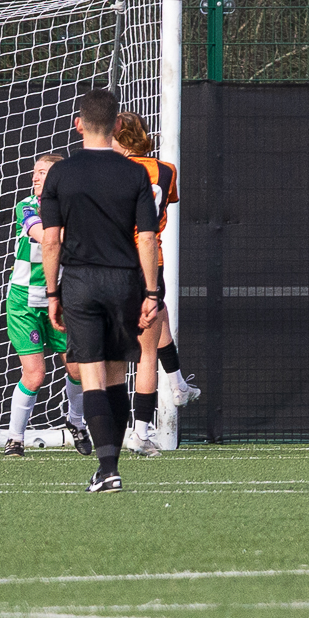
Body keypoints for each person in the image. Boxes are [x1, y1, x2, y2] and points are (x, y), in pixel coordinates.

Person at [39, 89, 162, 493]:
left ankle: (107, 469)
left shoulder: (60, 174)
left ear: (78, 124)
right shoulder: (135, 173)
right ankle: (110, 467)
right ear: (117, 125)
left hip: (79, 282)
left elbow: (51, 241)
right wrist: (151, 293)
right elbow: (147, 239)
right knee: (115, 377)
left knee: (91, 376)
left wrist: (53, 294)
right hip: (123, 281)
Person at [113, 112, 202, 437]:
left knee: (135, 353)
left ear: (121, 137)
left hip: (116, 260)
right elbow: (167, 201)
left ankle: (137, 428)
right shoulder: (167, 170)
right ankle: (176, 384)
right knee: (156, 313)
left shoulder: (114, 170)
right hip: (152, 263)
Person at [3, 154, 90, 458]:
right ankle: (15, 439)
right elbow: (45, 237)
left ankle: (76, 423)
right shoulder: (27, 206)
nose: (35, 177)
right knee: (35, 374)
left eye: (42, 172)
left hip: (62, 301)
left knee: (78, 369)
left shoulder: (76, 208)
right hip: (24, 302)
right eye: (35, 172)